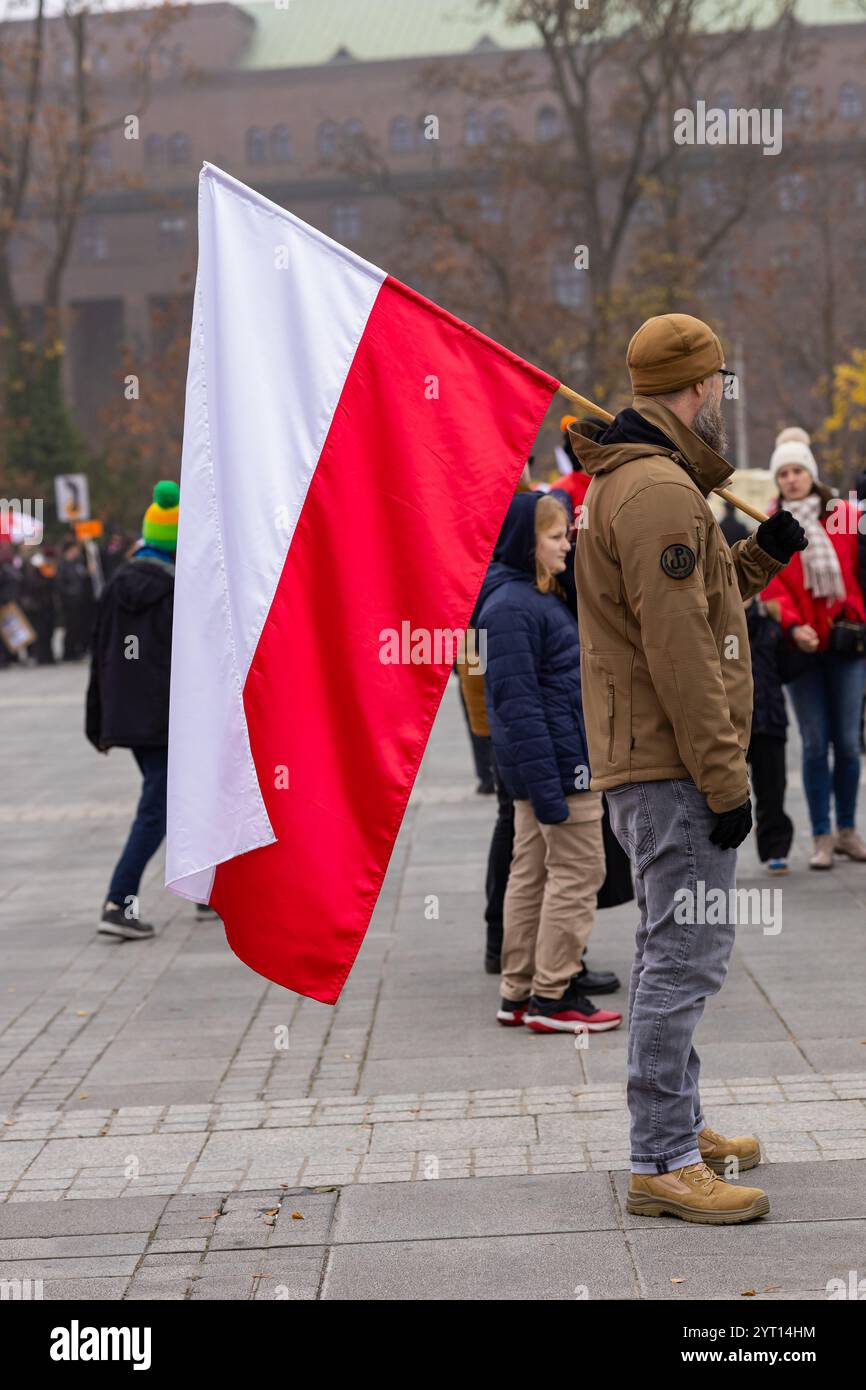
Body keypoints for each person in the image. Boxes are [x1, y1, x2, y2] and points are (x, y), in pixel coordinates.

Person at [572, 313, 806, 1224]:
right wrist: (725, 778)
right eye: (717, 384)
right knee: (684, 960)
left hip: (656, 762)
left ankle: (680, 1121)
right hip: (672, 768)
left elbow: (694, 608)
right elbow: (679, 653)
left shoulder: (646, 482)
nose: (720, 398)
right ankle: (662, 1156)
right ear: (700, 387)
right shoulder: (660, 492)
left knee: (667, 953)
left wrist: (762, 558)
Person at [478, 491, 622, 1036]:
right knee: (580, 874)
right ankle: (553, 995)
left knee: (532, 876)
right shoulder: (513, 607)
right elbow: (518, 710)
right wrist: (549, 791)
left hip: (551, 770)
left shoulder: (528, 597)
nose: (568, 544)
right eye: (557, 536)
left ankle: (518, 993)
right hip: (561, 770)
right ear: (527, 542)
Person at [762, 428, 866, 869]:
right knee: (812, 744)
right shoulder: (770, 521)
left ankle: (847, 830)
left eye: (797, 470)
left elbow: (860, 572)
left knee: (845, 742)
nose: (791, 479)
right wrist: (792, 623)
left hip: (845, 643)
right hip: (801, 647)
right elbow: (767, 582)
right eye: (783, 473)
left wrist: (853, 614)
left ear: (811, 473)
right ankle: (821, 836)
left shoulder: (842, 515)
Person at [86, 481, 179, 940]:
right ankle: (117, 901)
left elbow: (99, 657)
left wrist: (98, 724)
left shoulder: (114, 587)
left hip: (130, 719)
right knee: (157, 810)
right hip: (167, 721)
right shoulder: (178, 592)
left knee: (180, 800)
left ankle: (209, 892)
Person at [745, 596, 793, 872]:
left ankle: (776, 848)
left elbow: (787, 668)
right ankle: (717, 852)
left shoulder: (771, 621)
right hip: (730, 723)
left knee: (773, 788)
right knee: (722, 792)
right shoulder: (713, 619)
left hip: (770, 718)